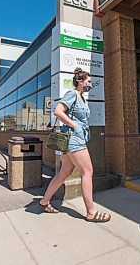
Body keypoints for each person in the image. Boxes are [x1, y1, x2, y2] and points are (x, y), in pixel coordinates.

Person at [39, 68, 111, 223]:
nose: (90, 84)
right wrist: (74, 125)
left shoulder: (81, 98)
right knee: (88, 171)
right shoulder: (72, 94)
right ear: (80, 81)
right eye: (89, 81)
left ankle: (44, 202)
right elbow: (58, 111)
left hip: (75, 139)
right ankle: (91, 212)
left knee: (64, 173)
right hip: (74, 140)